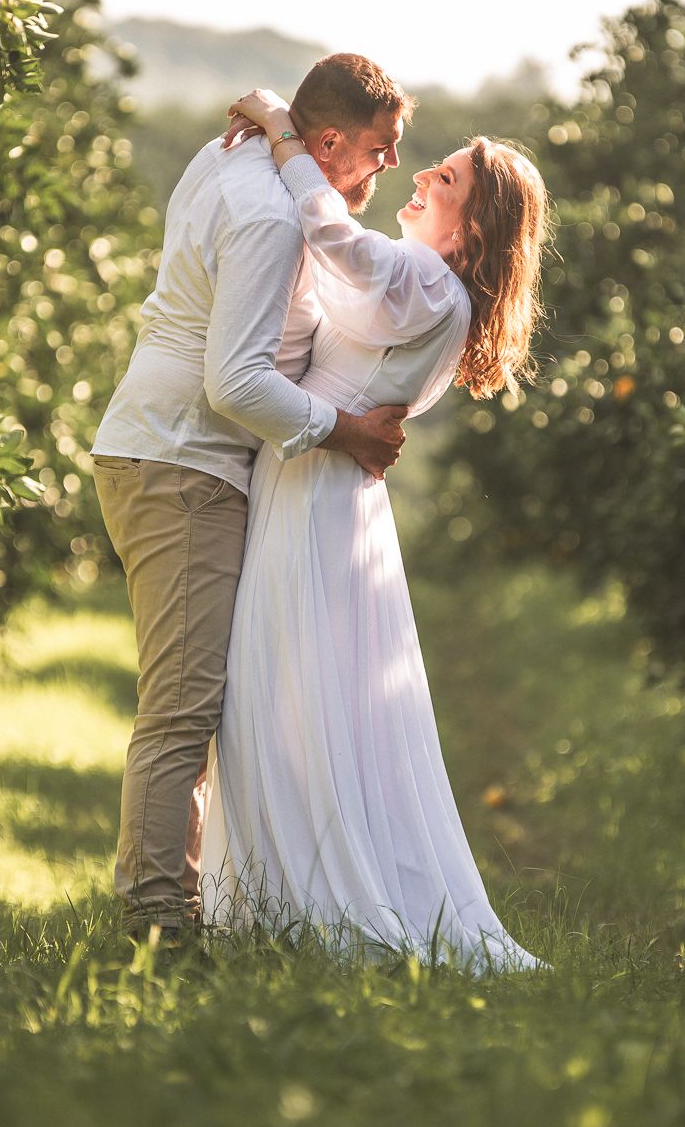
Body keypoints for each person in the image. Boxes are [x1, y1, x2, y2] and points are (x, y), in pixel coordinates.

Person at [197, 87, 549, 973]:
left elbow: (329, 234)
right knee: (296, 694)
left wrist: (285, 136)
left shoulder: (426, 281)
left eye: (450, 177)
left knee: (283, 694)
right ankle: (278, 890)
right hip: (319, 486)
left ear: (470, 230)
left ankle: (302, 898)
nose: (425, 172)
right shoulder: (424, 285)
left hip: (317, 491)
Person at [89, 54, 417, 944]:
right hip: (183, 465)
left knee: (191, 699)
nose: (386, 167)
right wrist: (345, 428)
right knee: (183, 707)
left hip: (152, 449)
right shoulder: (274, 217)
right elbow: (234, 383)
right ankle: (159, 927)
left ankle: (185, 910)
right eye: (379, 151)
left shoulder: (227, 157)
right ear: (328, 141)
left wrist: (275, 123)